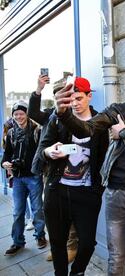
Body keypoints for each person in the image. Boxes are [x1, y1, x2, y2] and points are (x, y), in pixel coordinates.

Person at [54, 61, 125, 275]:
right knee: (116, 257)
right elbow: (86, 129)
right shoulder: (116, 110)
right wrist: (64, 114)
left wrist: (124, 133)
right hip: (116, 193)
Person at [35, 77, 109, 275]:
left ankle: (77, 272)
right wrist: (49, 152)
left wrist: (97, 191)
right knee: (58, 243)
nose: (75, 103)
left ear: (89, 96)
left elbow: (102, 159)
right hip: (57, 191)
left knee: (87, 243)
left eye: (79, 98)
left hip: (86, 194)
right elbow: (42, 150)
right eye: (70, 100)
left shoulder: (99, 123)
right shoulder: (57, 119)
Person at [28, 73, 79, 262]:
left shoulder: (77, 112)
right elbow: (33, 114)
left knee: (70, 210)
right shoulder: (50, 114)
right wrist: (38, 90)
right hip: (51, 170)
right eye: (58, 93)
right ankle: (57, 246)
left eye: (65, 92)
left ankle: (71, 246)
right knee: (52, 210)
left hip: (73, 170)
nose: (63, 97)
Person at [1, 101, 47, 256]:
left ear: (26, 114)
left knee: (37, 210)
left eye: (21, 113)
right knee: (17, 211)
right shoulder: (11, 134)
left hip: (34, 176)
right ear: (13, 116)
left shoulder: (36, 131)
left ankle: (40, 236)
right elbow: (6, 155)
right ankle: (18, 242)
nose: (18, 116)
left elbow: (42, 152)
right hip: (18, 178)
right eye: (15, 114)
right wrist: (4, 163)